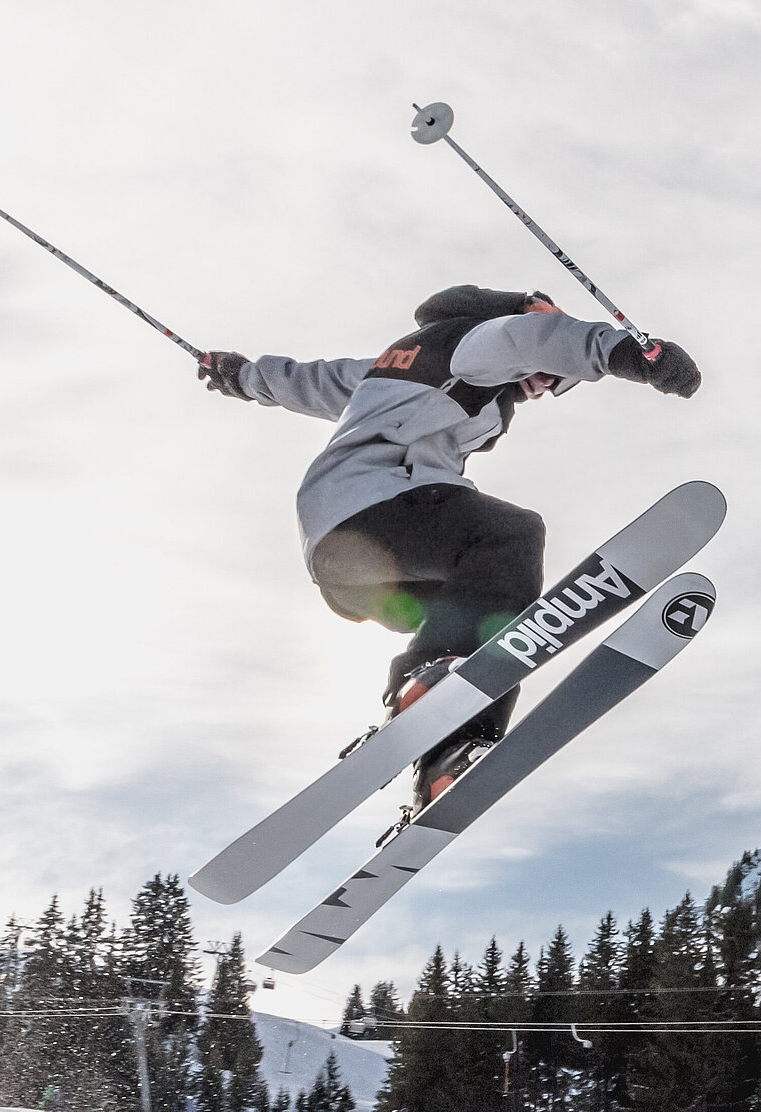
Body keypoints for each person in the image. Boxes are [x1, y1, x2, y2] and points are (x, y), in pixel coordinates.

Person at [197, 286, 700, 807]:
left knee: (490, 605)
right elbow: (528, 336)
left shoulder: (397, 364)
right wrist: (634, 356)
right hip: (375, 512)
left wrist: (242, 376)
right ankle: (434, 675)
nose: (546, 386)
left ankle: (448, 748)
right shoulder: (479, 341)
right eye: (551, 370)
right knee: (511, 537)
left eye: (559, 384)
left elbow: (311, 382)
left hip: (350, 560)